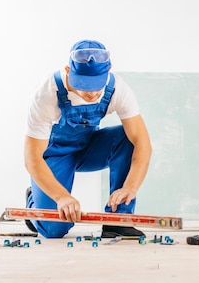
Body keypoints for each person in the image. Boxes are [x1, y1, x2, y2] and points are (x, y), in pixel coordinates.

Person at [24, 39, 152, 239]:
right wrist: (62, 197)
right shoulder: (47, 94)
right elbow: (32, 159)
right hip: (56, 156)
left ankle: (117, 221)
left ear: (107, 72)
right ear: (68, 70)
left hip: (89, 149)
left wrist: (130, 187)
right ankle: (35, 199)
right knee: (53, 229)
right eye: (84, 85)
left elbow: (142, 144)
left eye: (96, 86)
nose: (91, 93)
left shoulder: (118, 88)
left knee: (128, 138)